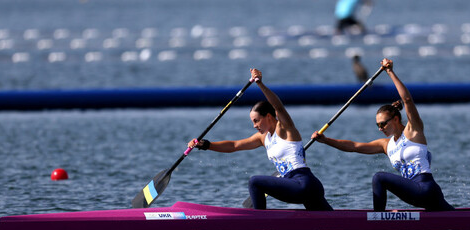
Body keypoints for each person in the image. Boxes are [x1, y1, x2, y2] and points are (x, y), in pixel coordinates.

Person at [311, 58, 454, 212]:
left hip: (426, 188)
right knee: (454, 220)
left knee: (379, 178)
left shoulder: (414, 131)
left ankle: (378, 218)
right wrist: (325, 140)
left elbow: (407, 100)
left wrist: (390, 72)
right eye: (378, 125)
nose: (380, 128)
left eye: (383, 124)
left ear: (396, 119)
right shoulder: (386, 145)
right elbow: (354, 146)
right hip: (418, 193)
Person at [188, 69, 333, 211]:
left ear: (269, 117)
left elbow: (279, 107)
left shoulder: (284, 129)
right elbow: (234, 145)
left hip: (303, 183)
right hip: (305, 187)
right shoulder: (263, 138)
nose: (254, 126)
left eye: (256, 121)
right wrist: (205, 145)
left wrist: (260, 84)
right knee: (329, 223)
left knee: (255, 182)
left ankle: (258, 225)